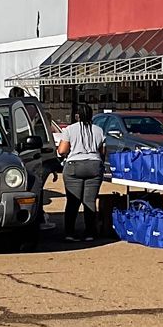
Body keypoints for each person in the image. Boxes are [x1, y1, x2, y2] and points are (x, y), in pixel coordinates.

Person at [55, 102, 106, 242]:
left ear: (77, 116)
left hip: (74, 166)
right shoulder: (99, 130)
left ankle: (70, 233)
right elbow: (102, 152)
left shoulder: (70, 129)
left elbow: (62, 150)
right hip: (94, 165)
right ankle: (90, 233)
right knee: (90, 201)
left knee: (73, 202)